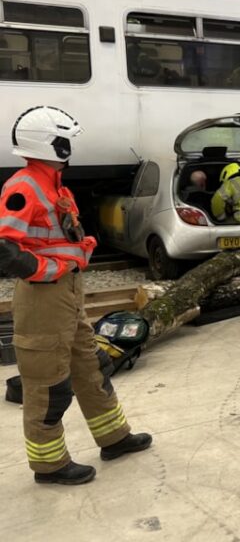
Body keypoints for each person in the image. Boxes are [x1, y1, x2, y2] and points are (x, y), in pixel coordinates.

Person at [0, 106, 152, 485]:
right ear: (51, 144)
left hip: (67, 292)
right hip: (43, 297)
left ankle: (114, 438)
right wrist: (47, 272)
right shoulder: (24, 186)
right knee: (47, 384)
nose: (70, 147)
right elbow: (5, 247)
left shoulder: (54, 184)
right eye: (65, 140)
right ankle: (49, 466)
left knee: (91, 367)